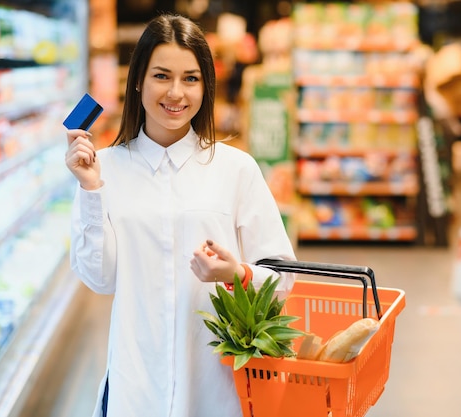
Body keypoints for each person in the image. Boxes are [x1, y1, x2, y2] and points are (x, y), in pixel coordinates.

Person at [64, 14, 296, 417]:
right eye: (161, 76)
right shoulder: (105, 170)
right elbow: (100, 280)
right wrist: (90, 190)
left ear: (206, 86)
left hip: (214, 389)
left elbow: (283, 277)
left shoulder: (235, 169)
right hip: (135, 390)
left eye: (191, 78)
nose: (176, 92)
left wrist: (236, 273)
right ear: (138, 80)